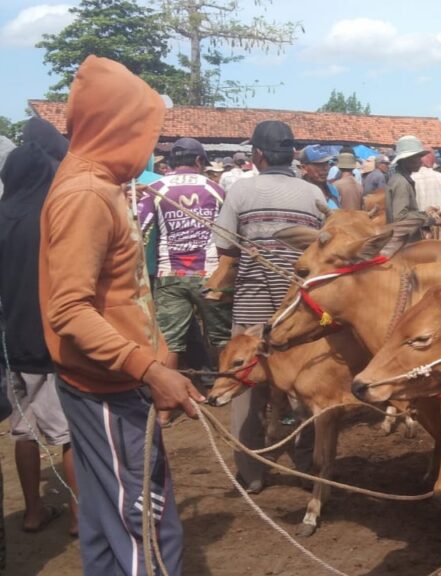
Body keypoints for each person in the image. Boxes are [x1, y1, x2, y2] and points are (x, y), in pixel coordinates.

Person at [38, 55, 196, 576]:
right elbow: (69, 310)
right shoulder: (86, 194)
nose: (151, 146)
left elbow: (117, 291)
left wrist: (157, 348)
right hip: (107, 390)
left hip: (108, 381)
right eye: (145, 131)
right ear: (118, 128)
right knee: (144, 528)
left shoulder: (101, 184)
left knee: (109, 529)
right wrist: (148, 369)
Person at [214, 119, 324, 494]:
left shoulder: (241, 192)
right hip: (299, 311)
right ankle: (308, 461)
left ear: (258, 154)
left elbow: (225, 250)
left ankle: (252, 470)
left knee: (243, 385)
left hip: (252, 304)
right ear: (291, 154)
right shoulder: (313, 194)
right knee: (305, 385)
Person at [0, 117, 79, 538]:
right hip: (53, 341)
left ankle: (32, 511)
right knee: (68, 434)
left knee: (24, 431)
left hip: (12, 344)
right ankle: (78, 516)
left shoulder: (2, 216)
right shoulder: (54, 217)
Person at [137, 138, 231, 426]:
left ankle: (165, 410)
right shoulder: (215, 189)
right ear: (200, 161)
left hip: (169, 274)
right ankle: (227, 395)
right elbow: (229, 232)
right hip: (210, 274)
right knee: (222, 338)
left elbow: (139, 229)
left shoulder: (156, 189)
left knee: (172, 342)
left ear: (171, 162)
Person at [386, 135, 437, 240]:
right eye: (417, 157)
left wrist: (423, 213)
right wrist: (429, 219)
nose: (421, 161)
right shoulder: (401, 183)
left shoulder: (400, 179)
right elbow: (400, 217)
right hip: (404, 241)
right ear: (406, 160)